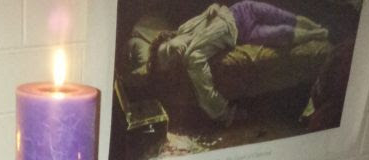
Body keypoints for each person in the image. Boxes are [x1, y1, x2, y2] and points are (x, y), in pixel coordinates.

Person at [135, 3, 329, 124]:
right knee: (282, 33)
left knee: (288, 18)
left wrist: (213, 8)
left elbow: (209, 11)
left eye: (169, 50)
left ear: (169, 38)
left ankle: (320, 28)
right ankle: (318, 34)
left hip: (241, 10)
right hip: (243, 32)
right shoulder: (193, 56)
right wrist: (224, 114)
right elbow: (205, 90)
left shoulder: (184, 28)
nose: (175, 54)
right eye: (172, 61)